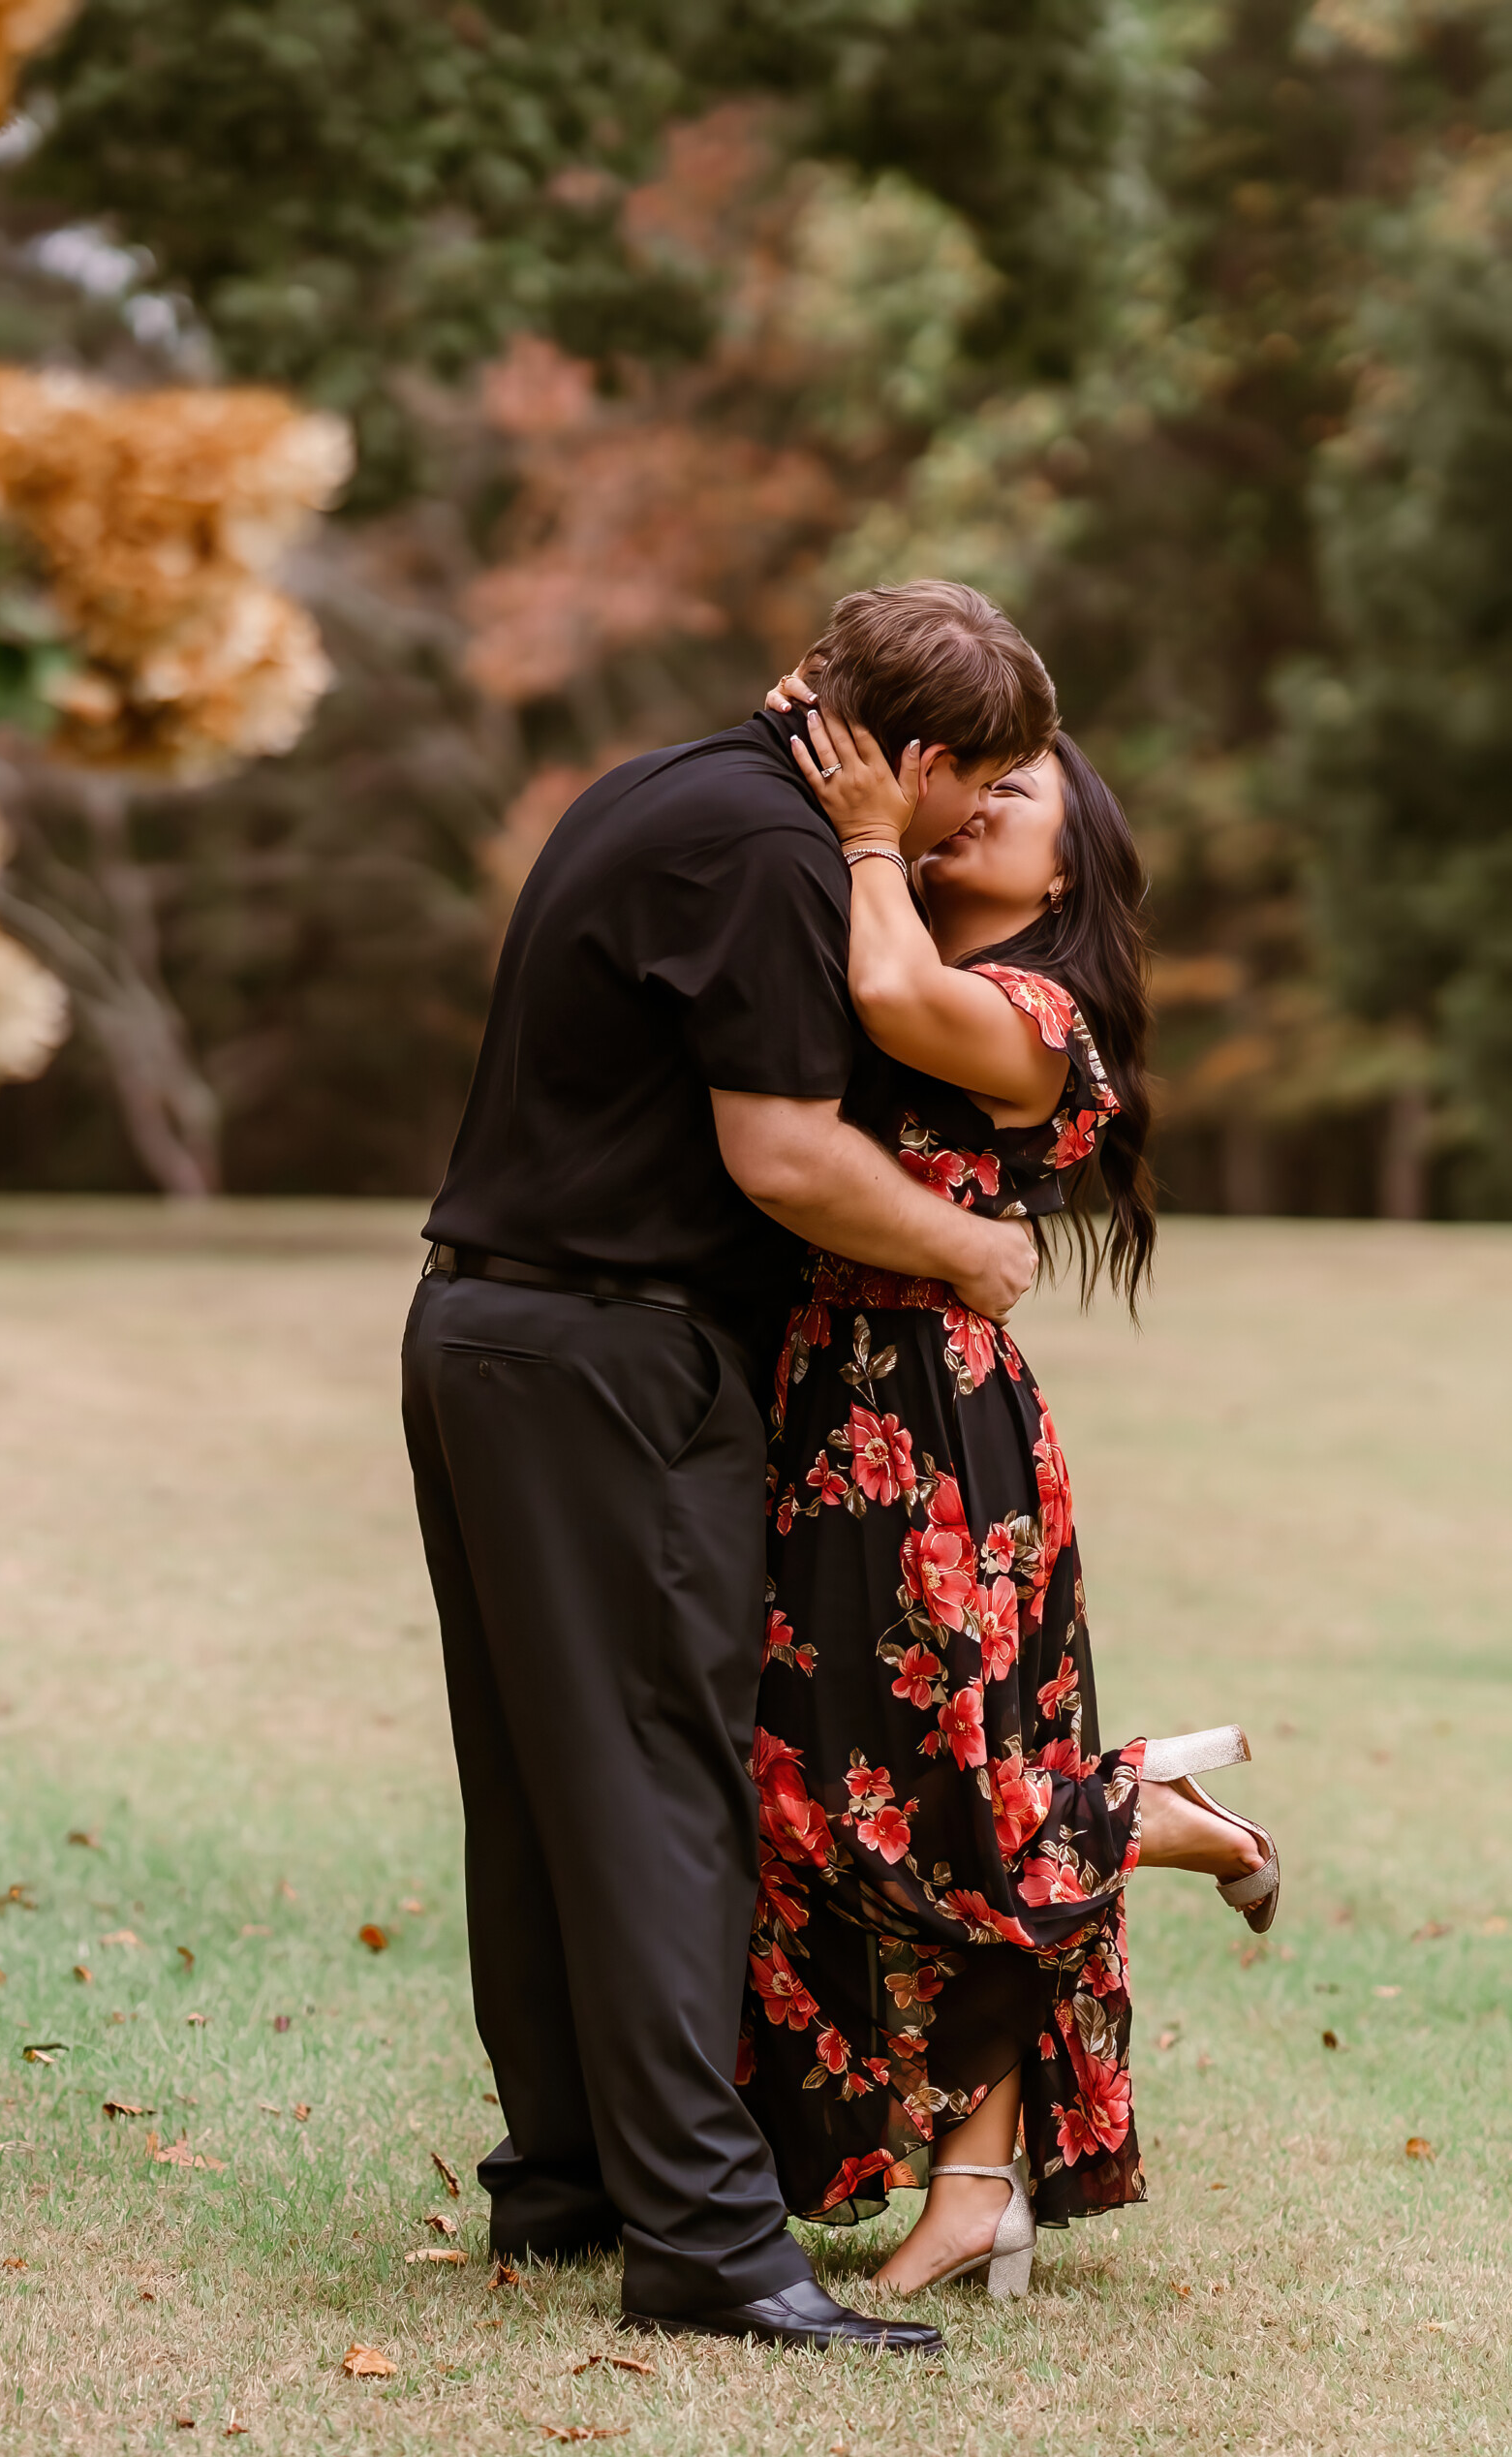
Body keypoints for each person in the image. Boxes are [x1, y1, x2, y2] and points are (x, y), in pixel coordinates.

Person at [401, 581, 1053, 2352]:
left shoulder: (651, 786)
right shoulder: (771, 852)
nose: (964, 825)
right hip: (618, 1355)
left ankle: (566, 2185)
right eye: (970, 785)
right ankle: (700, 2241)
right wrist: (964, 1251)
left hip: (488, 1332)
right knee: (661, 1787)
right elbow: (782, 1155)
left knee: (545, 1788)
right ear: (909, 756)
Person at [740, 681, 1280, 2299]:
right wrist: (814, 722)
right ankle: (976, 2178)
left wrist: (861, 832)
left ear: (1063, 879)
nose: (980, 804)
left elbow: (894, 993)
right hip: (813, 1403)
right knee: (809, 1794)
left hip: (938, 1424)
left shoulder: (1039, 1019)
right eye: (974, 779)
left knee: (945, 1803)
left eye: (1021, 795)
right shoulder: (884, 916)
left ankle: (1147, 1822)